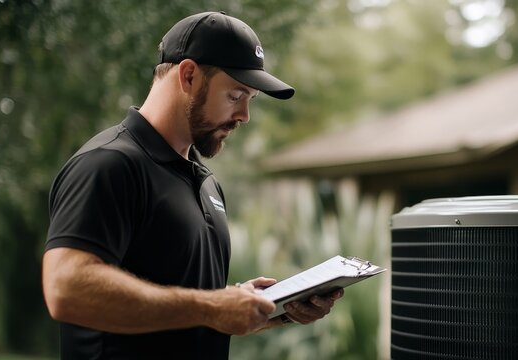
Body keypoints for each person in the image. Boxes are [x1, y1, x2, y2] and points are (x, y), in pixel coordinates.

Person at [42, 11, 343, 359]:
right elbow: (65, 289)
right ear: (188, 75)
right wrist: (210, 306)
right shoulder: (109, 164)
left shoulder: (206, 184)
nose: (244, 115)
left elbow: (185, 311)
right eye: (235, 95)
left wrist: (262, 310)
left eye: (251, 99)